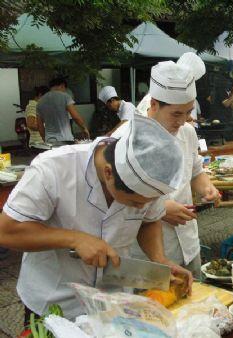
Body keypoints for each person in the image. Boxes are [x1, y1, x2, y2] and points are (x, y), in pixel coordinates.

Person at [0, 113, 192, 323]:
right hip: (55, 304)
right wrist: (74, 239)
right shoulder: (53, 168)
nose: (142, 208)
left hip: (116, 304)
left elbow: (150, 220)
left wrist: (159, 259)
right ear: (108, 172)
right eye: (136, 204)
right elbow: (7, 231)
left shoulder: (147, 177)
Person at [124, 53, 221, 278]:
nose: (183, 121)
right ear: (155, 104)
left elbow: (195, 169)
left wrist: (206, 188)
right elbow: (119, 198)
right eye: (176, 114)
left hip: (188, 241)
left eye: (188, 113)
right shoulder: (130, 140)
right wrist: (161, 208)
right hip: (148, 252)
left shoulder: (187, 132)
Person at [36, 76, 90, 142]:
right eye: (65, 88)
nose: (65, 91)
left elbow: (40, 125)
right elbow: (76, 117)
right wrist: (84, 128)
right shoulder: (65, 97)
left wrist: (44, 139)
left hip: (49, 140)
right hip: (65, 139)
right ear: (62, 85)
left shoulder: (40, 101)